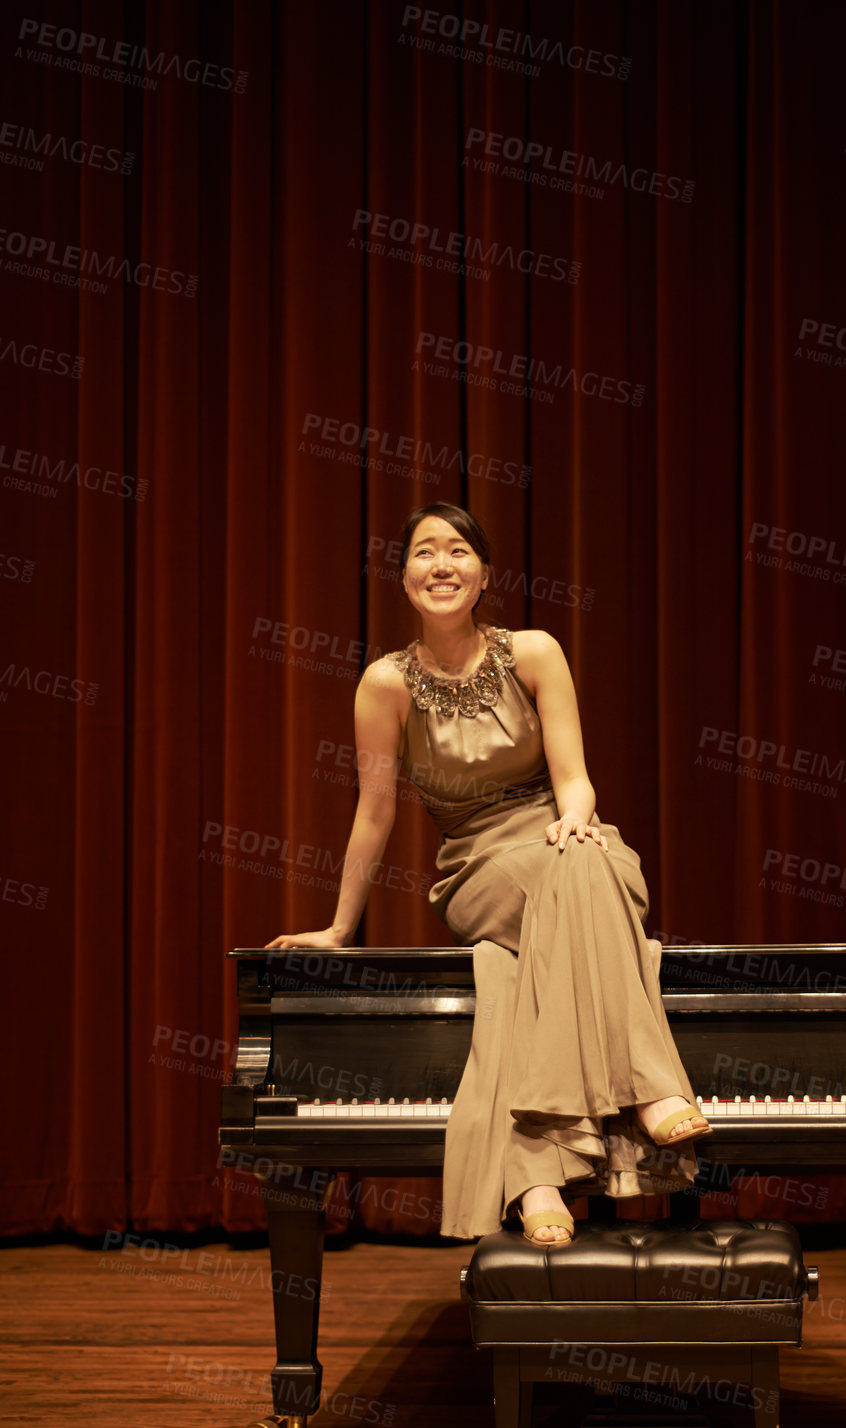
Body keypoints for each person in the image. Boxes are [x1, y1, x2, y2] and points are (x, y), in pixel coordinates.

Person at [267, 502, 709, 1245]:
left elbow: (574, 776)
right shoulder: (384, 684)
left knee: (542, 924)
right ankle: (651, 1090)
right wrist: (341, 927)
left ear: (484, 576)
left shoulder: (534, 651)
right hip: (477, 866)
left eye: (457, 551)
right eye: (423, 553)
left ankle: (537, 1176)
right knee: (577, 875)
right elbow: (374, 813)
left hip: (564, 836)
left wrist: (574, 817)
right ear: (404, 577)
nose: (441, 564)